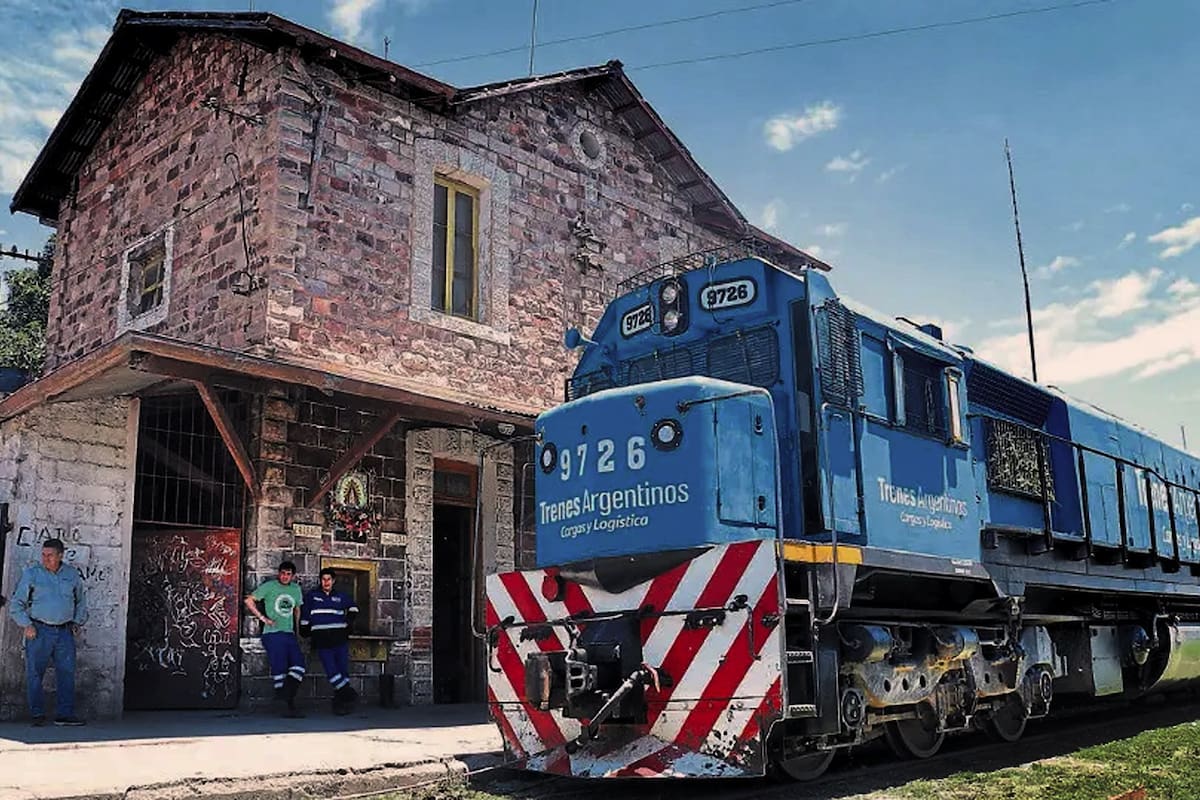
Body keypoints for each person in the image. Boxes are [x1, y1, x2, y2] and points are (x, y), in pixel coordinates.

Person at [9, 538, 88, 727]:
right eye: (43, 555)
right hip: (39, 631)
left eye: (50, 555)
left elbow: (81, 601)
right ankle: (37, 714)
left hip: (64, 632)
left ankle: (64, 714)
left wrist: (77, 621)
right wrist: (26, 625)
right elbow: (16, 604)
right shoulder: (32, 574)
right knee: (35, 673)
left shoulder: (71, 574)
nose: (46, 559)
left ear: (60, 555)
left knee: (66, 673)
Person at [245, 560, 306, 717]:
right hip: (272, 634)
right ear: (279, 573)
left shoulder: (296, 589)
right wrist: (263, 618)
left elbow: (297, 610)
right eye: (283, 573)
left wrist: (297, 632)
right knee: (280, 670)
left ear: (293, 576)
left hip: (289, 634)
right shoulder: (270, 586)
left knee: (299, 666)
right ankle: (288, 707)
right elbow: (249, 600)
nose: (285, 576)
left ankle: (283, 699)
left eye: (288, 574)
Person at [299, 567, 359, 715]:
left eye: (329, 579)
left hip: (339, 637)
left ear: (333, 581)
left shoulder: (341, 596)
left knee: (342, 670)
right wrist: (304, 629)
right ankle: (348, 693)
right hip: (321, 638)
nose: (326, 582)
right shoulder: (312, 596)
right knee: (331, 669)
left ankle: (340, 704)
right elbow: (305, 614)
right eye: (323, 579)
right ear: (320, 580)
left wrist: (348, 623)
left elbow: (354, 608)